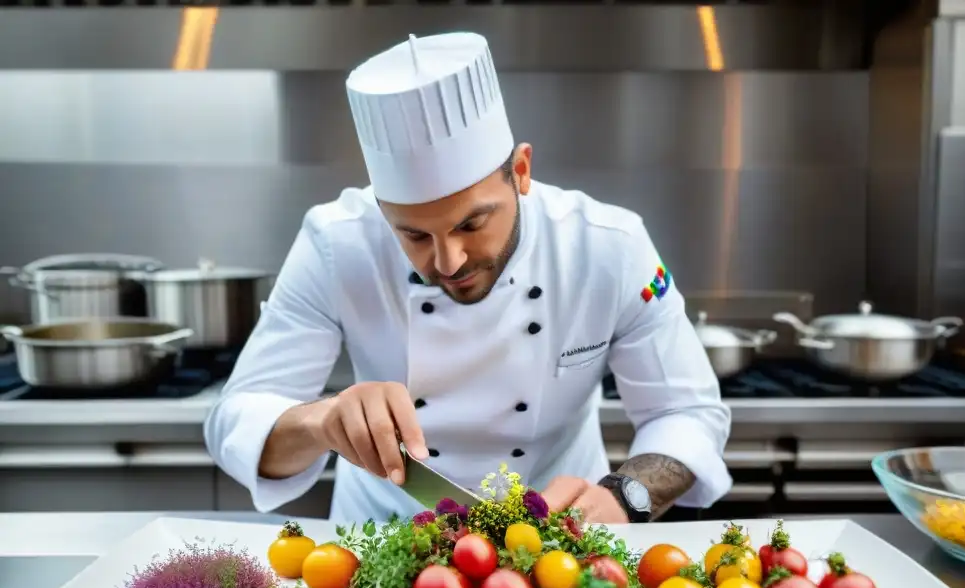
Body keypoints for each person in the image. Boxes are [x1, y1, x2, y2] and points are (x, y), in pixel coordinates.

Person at [204, 31, 732, 525]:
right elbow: (237, 418)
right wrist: (321, 421)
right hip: (381, 543)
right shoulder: (336, 243)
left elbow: (685, 410)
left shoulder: (607, 246)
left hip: (555, 544)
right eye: (413, 235)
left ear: (521, 171)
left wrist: (625, 496)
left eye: (472, 223)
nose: (449, 261)